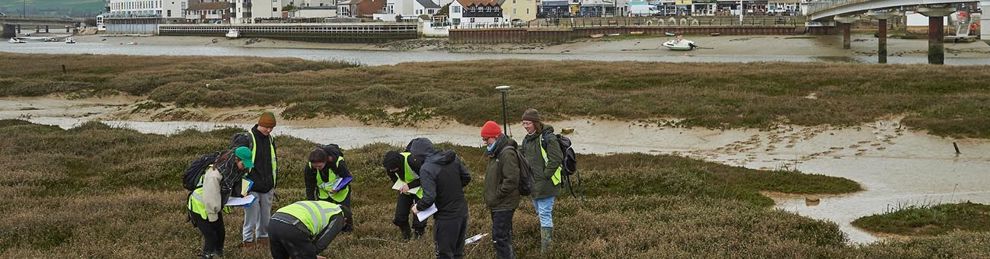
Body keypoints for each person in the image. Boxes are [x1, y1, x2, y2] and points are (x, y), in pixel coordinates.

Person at [408, 138, 472, 259]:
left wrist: (418, 207)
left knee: (444, 255)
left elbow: (429, 197)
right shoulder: (453, 159)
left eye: (414, 155)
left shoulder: (426, 168)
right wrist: (451, 189)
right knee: (458, 253)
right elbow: (467, 177)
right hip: (462, 213)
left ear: (419, 155)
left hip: (445, 218)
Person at [188, 147, 254, 259]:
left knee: (221, 233)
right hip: (200, 206)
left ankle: (219, 255)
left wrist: (242, 193)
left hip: (215, 204)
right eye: (244, 164)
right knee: (211, 236)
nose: (245, 167)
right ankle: (207, 256)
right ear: (236, 159)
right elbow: (211, 198)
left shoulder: (233, 169)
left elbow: (231, 185)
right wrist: (213, 217)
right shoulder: (214, 175)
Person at [232, 111, 279, 248]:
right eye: (267, 127)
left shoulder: (270, 139)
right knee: (251, 217)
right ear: (260, 124)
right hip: (250, 186)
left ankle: (263, 239)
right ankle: (248, 241)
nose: (269, 130)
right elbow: (237, 162)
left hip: (267, 186)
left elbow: (273, 162)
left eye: (272, 128)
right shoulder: (247, 139)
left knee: (266, 217)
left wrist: (273, 183)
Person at [520, 108, 563, 253]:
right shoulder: (526, 140)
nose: (525, 126)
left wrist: (545, 175)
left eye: (528, 123)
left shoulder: (548, 138)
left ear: (535, 123)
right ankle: (548, 242)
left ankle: (547, 250)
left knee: (544, 214)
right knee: (541, 213)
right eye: (524, 123)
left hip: (546, 184)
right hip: (533, 185)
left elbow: (556, 158)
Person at [481, 121, 521, 259]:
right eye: (483, 139)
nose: (485, 142)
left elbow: (511, 180)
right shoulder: (495, 152)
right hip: (498, 204)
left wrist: (497, 195)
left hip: (504, 204)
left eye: (487, 138)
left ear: (496, 136)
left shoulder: (506, 153)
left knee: (500, 238)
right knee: (503, 237)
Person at [269, 200, 351, 259]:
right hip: (293, 226)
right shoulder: (339, 215)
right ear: (345, 220)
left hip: (273, 222)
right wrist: (311, 254)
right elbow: (322, 242)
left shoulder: (324, 205)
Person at [304, 144, 355, 232]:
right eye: (315, 166)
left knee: (345, 213)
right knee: (324, 214)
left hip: (341, 192)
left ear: (325, 161)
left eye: (319, 166)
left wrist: (338, 188)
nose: (317, 169)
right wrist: (311, 202)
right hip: (324, 193)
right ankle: (328, 231)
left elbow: (348, 177)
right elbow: (309, 186)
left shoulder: (338, 162)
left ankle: (347, 231)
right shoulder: (309, 167)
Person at [382, 150, 427, 240]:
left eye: (393, 169)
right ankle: (406, 237)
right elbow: (394, 178)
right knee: (399, 217)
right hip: (405, 190)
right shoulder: (389, 166)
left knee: (419, 219)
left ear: (398, 164)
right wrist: (400, 187)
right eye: (390, 169)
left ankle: (418, 240)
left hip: (421, 189)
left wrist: (410, 185)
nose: (391, 170)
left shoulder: (412, 161)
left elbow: (426, 177)